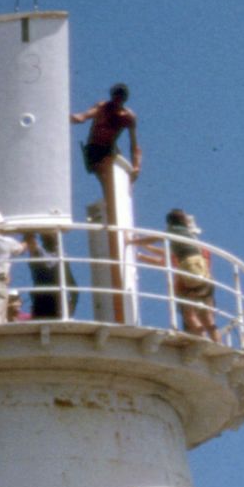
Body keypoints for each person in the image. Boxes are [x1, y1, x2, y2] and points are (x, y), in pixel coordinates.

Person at [73, 81, 141, 223]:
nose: (117, 99)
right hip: (94, 149)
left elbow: (134, 145)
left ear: (124, 99)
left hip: (109, 149)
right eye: (116, 96)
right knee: (104, 179)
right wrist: (71, 117)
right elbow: (84, 116)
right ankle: (111, 210)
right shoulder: (103, 107)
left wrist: (136, 167)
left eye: (120, 97)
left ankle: (116, 209)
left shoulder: (128, 117)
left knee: (118, 178)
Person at [140, 207, 215, 337]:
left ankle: (202, 341)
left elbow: (167, 259)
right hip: (205, 284)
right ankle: (213, 340)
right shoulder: (200, 248)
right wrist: (145, 250)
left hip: (187, 284)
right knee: (207, 319)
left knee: (189, 316)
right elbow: (168, 255)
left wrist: (141, 251)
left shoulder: (183, 245)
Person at [23, 230, 75, 321]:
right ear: (43, 237)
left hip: (58, 300)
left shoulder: (62, 255)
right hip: (42, 300)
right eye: (49, 233)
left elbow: (72, 284)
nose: (53, 235)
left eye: (54, 233)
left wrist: (72, 304)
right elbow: (30, 242)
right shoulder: (38, 252)